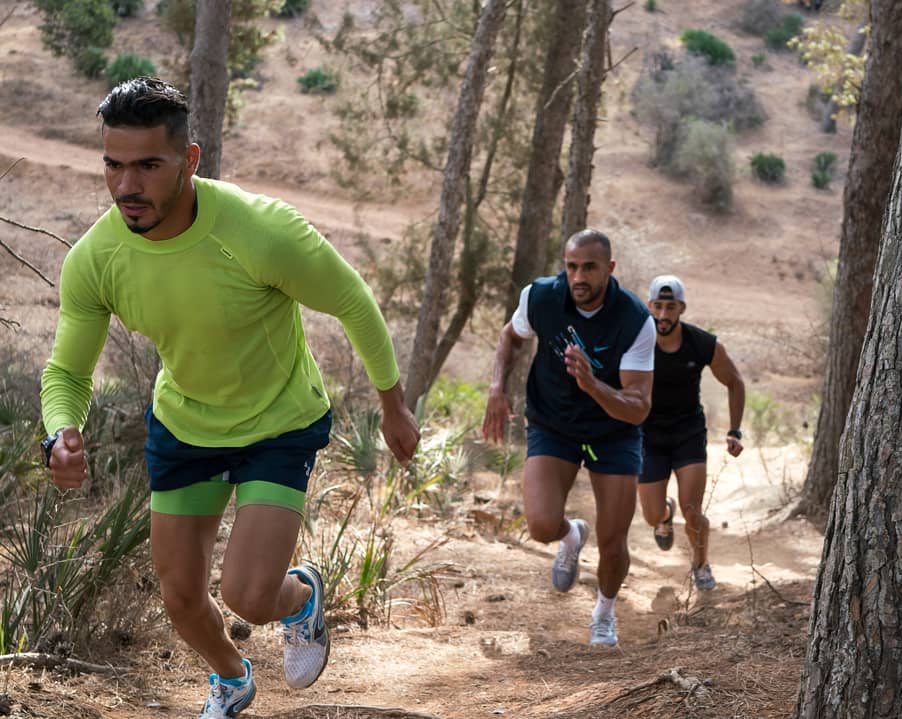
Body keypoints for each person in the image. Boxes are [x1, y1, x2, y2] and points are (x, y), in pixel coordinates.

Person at [39, 78, 420, 719]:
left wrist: (392, 404)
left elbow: (352, 301)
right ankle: (232, 677)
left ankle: (298, 599)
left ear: (188, 160)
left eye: (147, 166)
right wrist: (60, 432)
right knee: (182, 599)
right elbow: (67, 373)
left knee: (247, 593)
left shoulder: (259, 231)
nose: (127, 187)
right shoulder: (97, 258)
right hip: (186, 425)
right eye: (113, 165)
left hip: (278, 423)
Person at [482, 229, 655, 648]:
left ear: (610, 269)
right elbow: (510, 337)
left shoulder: (635, 320)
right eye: (572, 266)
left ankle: (603, 614)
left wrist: (594, 385)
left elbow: (638, 405)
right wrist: (496, 388)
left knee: (613, 541)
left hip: (614, 433)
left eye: (590, 268)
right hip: (553, 425)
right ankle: (571, 535)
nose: (579, 277)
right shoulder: (541, 297)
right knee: (541, 526)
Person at [638, 275, 745, 591]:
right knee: (651, 515)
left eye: (671, 307)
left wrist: (735, 430)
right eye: (658, 306)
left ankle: (701, 566)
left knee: (693, 511)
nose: (664, 314)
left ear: (682, 308)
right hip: (648, 438)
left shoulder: (702, 344)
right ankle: (664, 515)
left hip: (688, 434)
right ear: (650, 307)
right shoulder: (636, 342)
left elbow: (735, 381)